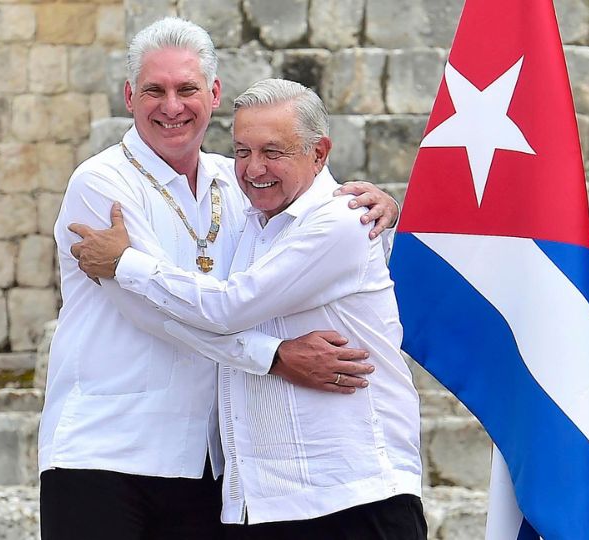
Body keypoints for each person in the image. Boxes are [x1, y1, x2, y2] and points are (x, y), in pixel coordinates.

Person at [39, 18, 399, 540]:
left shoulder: (237, 180)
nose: (172, 106)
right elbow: (154, 315)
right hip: (105, 453)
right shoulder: (101, 183)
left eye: (186, 89)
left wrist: (377, 208)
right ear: (128, 96)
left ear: (213, 93)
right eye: (153, 90)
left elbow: (308, 226)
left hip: (207, 464)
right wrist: (274, 357)